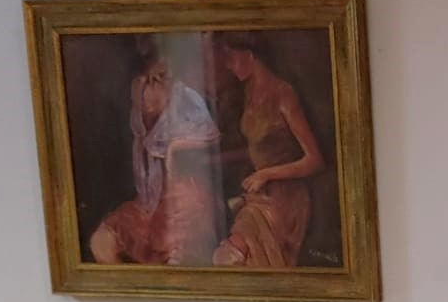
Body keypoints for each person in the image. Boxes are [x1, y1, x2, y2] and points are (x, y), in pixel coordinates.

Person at [88, 39, 222, 267]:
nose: (163, 64)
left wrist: (174, 148)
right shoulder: (138, 87)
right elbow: (141, 138)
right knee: (101, 243)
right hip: (149, 195)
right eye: (157, 58)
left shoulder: (184, 95)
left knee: (177, 257)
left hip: (184, 192)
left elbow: (211, 135)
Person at [211, 34, 327, 269]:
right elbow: (259, 150)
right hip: (259, 193)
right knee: (233, 255)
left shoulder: (283, 94)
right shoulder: (249, 92)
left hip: (285, 197)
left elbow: (315, 161)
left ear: (249, 55)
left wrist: (266, 174)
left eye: (231, 58)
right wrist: (215, 159)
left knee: (237, 251)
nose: (229, 66)